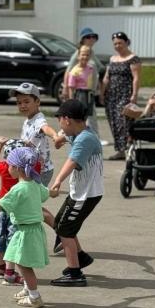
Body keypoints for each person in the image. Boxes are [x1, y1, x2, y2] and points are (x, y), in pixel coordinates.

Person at [0, 147, 50, 308]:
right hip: (33, 229)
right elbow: (45, 194)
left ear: (16, 168)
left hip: (25, 231)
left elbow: (1, 205)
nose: (7, 168)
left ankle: (35, 297)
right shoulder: (34, 184)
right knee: (21, 261)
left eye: (9, 165)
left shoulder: (18, 189)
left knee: (24, 265)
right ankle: (28, 289)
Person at [48, 99, 103, 287]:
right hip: (80, 192)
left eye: (60, 120)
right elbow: (65, 136)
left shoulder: (85, 140)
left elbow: (72, 161)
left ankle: (75, 273)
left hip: (86, 195)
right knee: (61, 223)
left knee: (64, 229)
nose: (60, 124)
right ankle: (80, 257)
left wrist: (57, 181)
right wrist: (58, 139)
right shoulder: (80, 132)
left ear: (67, 119)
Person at [0, 137, 28, 285]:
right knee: (13, 239)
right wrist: (29, 146)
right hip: (17, 210)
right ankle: (10, 272)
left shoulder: (4, 167)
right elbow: (40, 162)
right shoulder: (26, 170)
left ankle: (1, 268)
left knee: (0, 237)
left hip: (2, 207)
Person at [10, 82, 63, 186]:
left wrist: (55, 136)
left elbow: (45, 128)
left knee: (32, 198)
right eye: (19, 103)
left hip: (41, 170)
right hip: (31, 167)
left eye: (26, 102)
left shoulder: (38, 119)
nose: (22, 105)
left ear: (37, 101)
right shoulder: (27, 121)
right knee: (29, 198)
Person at [102, 31, 141, 160]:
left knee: (123, 121)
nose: (118, 46)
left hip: (125, 94)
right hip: (111, 96)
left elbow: (136, 78)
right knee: (113, 122)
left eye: (120, 43)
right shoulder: (112, 59)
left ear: (126, 42)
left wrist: (134, 94)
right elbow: (107, 77)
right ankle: (120, 150)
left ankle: (129, 148)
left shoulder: (133, 59)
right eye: (115, 44)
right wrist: (102, 93)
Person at [66, 45, 100, 131]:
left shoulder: (91, 68)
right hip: (80, 94)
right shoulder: (74, 70)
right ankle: (78, 134)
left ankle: (91, 135)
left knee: (90, 117)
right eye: (83, 54)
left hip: (89, 94)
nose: (85, 57)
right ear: (78, 56)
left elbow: (94, 81)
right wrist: (71, 102)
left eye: (87, 55)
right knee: (79, 117)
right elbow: (71, 88)